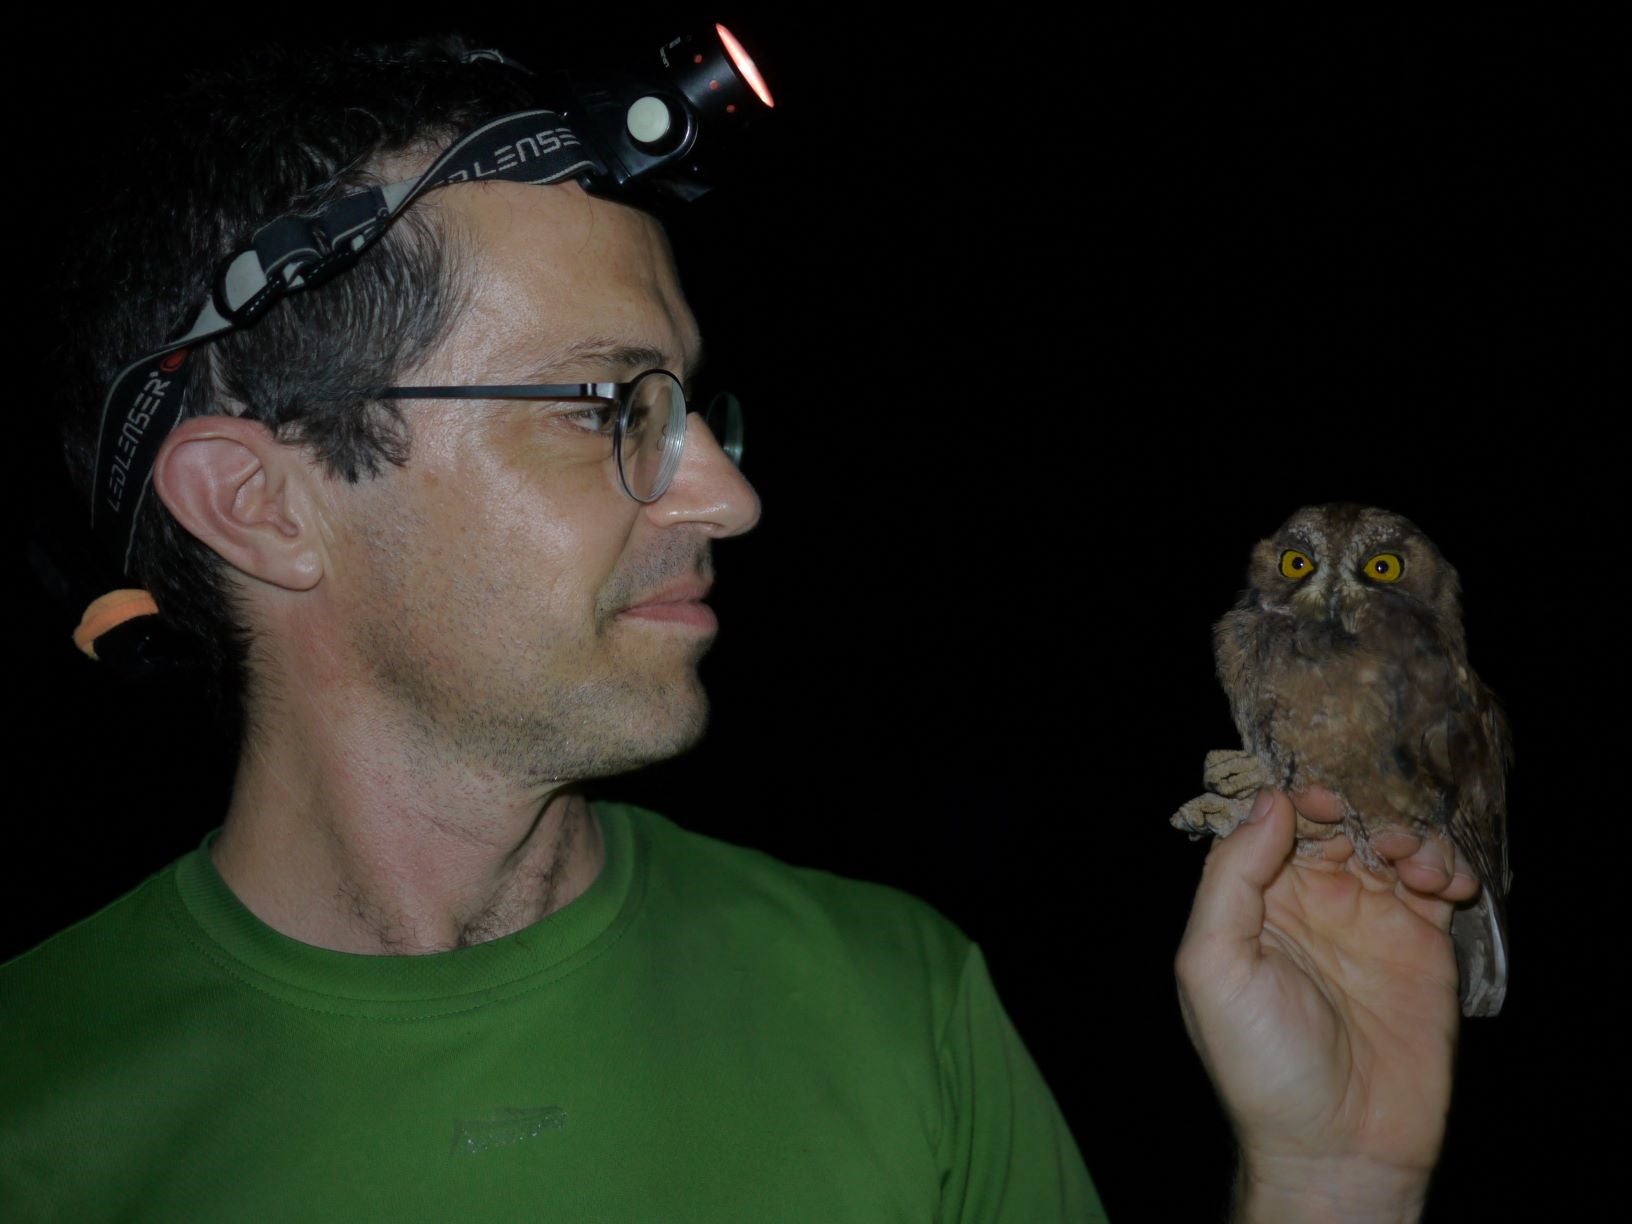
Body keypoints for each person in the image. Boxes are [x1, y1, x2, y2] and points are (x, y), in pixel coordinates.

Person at [1, 34, 1473, 1223]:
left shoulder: (895, 995)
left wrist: (1330, 1185)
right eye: (606, 407)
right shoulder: (36, 1108)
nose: (729, 495)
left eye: (695, 407)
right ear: (258, 506)